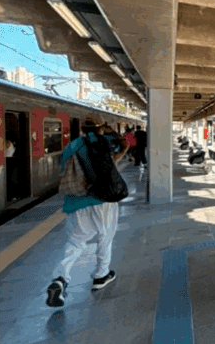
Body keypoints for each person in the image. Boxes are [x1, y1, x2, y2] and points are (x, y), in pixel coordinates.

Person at [46, 117, 128, 307]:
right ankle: (101, 275)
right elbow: (124, 146)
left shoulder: (72, 146)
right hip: (102, 199)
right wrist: (111, 132)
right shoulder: (105, 142)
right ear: (101, 128)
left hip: (76, 202)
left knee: (75, 242)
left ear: (82, 129)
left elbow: (63, 169)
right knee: (105, 237)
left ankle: (60, 279)